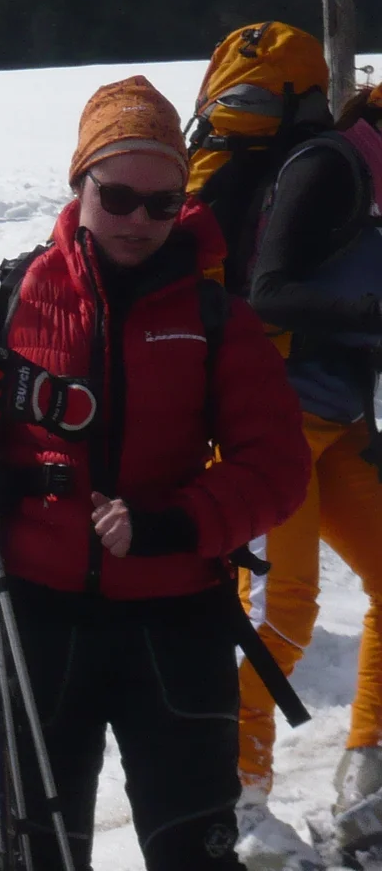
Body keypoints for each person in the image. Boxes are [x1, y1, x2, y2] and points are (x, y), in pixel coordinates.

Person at [0, 76, 311, 871]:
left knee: (196, 855)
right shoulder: (6, 300)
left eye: (162, 203)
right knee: (40, 858)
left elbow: (277, 468)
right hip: (35, 625)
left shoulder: (214, 315)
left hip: (176, 625)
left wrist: (178, 522)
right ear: (78, 186)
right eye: (118, 196)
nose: (140, 220)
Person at [233, 83, 382, 861]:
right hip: (275, 420)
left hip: (342, 423)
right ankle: (234, 801)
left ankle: (370, 776)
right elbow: (269, 293)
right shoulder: (331, 166)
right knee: (279, 616)